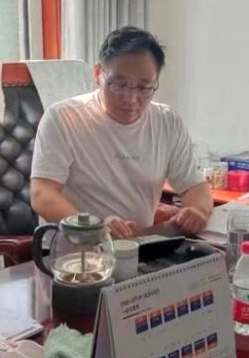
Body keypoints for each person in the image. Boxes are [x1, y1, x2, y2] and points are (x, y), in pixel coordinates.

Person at [31, 26, 213, 238]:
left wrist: (197, 211)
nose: (130, 98)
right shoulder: (63, 118)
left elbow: (195, 187)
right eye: (119, 84)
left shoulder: (167, 121)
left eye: (144, 87)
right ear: (98, 74)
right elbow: (42, 194)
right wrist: (94, 227)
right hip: (77, 249)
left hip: (142, 245)